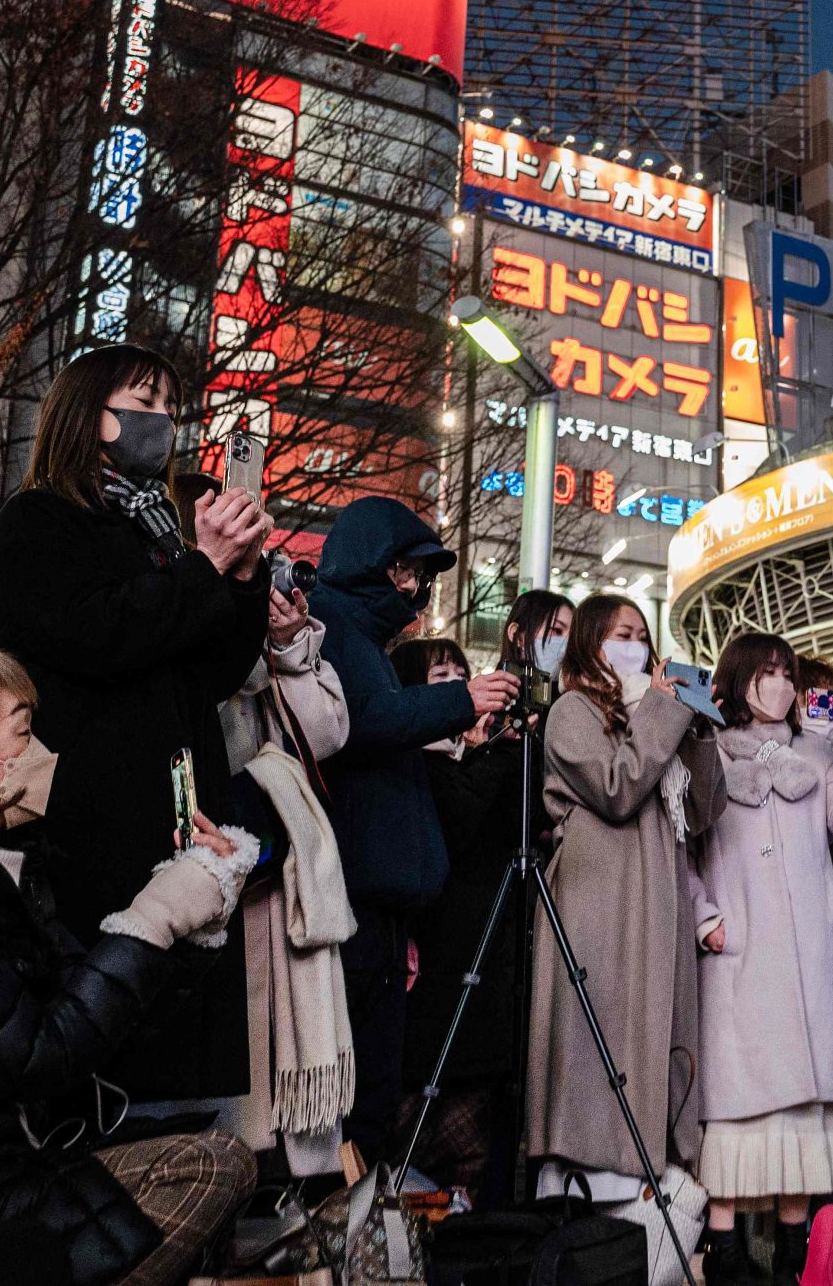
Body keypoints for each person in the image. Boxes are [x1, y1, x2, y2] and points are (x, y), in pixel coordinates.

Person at [0, 642, 261, 1286]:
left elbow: (104, 1029)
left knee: (220, 1160)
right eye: (23, 731)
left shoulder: (2, 875)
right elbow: (39, 1054)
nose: (40, 751)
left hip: (9, 1170)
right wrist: (153, 918)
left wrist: (193, 922)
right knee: (211, 1169)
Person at [0, 343, 269, 1103]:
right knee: (103, 1027)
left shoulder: (159, 531)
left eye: (171, 407)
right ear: (89, 414)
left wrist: (240, 578)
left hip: (180, 805)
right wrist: (202, 567)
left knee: (180, 1047)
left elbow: (211, 671)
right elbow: (95, 634)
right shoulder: (38, 520)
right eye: (144, 402)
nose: (163, 421)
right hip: (88, 813)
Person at [311, 497, 520, 1161]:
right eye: (406, 569)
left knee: (375, 1088)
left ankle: (360, 1204)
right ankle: (343, 1208)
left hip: (382, 907)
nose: (416, 586)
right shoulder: (333, 630)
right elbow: (361, 723)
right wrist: (461, 700)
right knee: (357, 1093)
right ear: (371, 559)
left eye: (422, 574)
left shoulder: (364, 641)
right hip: (357, 902)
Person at [690, 635, 833, 1281]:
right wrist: (705, 916)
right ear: (738, 677)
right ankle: (724, 1251)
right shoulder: (707, 748)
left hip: (810, 958)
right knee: (738, 1107)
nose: (779, 684)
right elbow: (682, 845)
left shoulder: (815, 753)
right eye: (766, 672)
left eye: (786, 674)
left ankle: (794, 1251)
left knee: (803, 1108)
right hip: (742, 952)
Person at [525, 596, 721, 1200]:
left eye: (642, 635)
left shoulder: (654, 712)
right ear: (591, 642)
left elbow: (705, 810)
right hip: (601, 901)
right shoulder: (573, 711)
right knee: (602, 1033)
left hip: (657, 895)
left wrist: (698, 728)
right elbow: (617, 788)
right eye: (622, 634)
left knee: (656, 1032)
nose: (636, 646)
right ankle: (589, 1184)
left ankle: (650, 1178)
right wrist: (664, 711)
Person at [405, 591, 571, 1201]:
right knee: (444, 1102)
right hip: (448, 951)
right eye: (440, 679)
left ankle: (495, 1211)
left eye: (460, 675)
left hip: (503, 938)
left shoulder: (497, 746)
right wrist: (497, 748)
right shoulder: (419, 766)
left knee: (497, 1093)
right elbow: (460, 820)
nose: (456, 689)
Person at [206, 545, 353, 1181]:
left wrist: (290, 647)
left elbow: (327, 735)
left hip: (280, 873)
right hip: (218, 869)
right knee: (238, 1073)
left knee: (286, 1060)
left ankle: (293, 1192)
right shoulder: (196, 630)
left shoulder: (284, 654)